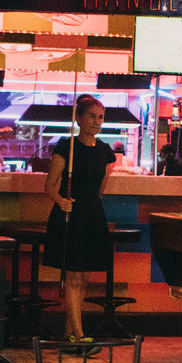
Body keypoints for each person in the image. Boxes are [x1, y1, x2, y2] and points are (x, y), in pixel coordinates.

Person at [43, 94, 117, 341]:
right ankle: (81, 335)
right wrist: (60, 200)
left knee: (84, 277)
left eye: (101, 117)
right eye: (92, 116)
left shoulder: (107, 152)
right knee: (73, 276)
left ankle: (68, 336)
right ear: (78, 118)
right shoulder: (66, 146)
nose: (97, 122)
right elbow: (50, 186)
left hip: (93, 216)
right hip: (70, 214)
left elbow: (100, 189)